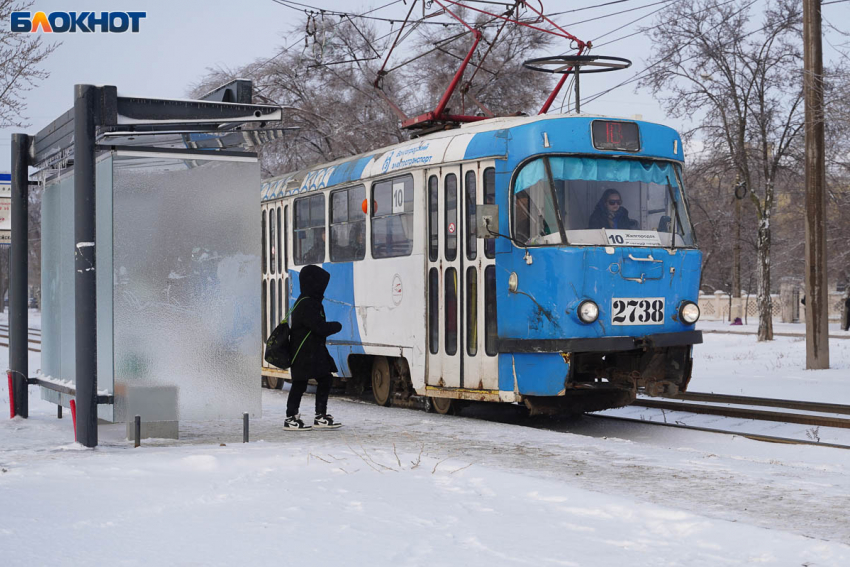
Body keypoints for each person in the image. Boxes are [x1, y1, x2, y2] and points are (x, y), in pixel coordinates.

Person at [285, 265, 343, 430]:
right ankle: (292, 418)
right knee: (301, 383)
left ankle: (318, 416)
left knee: (322, 379)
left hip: (310, 351)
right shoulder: (308, 303)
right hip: (304, 353)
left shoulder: (306, 300)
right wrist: (336, 326)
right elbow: (319, 327)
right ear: (314, 284)